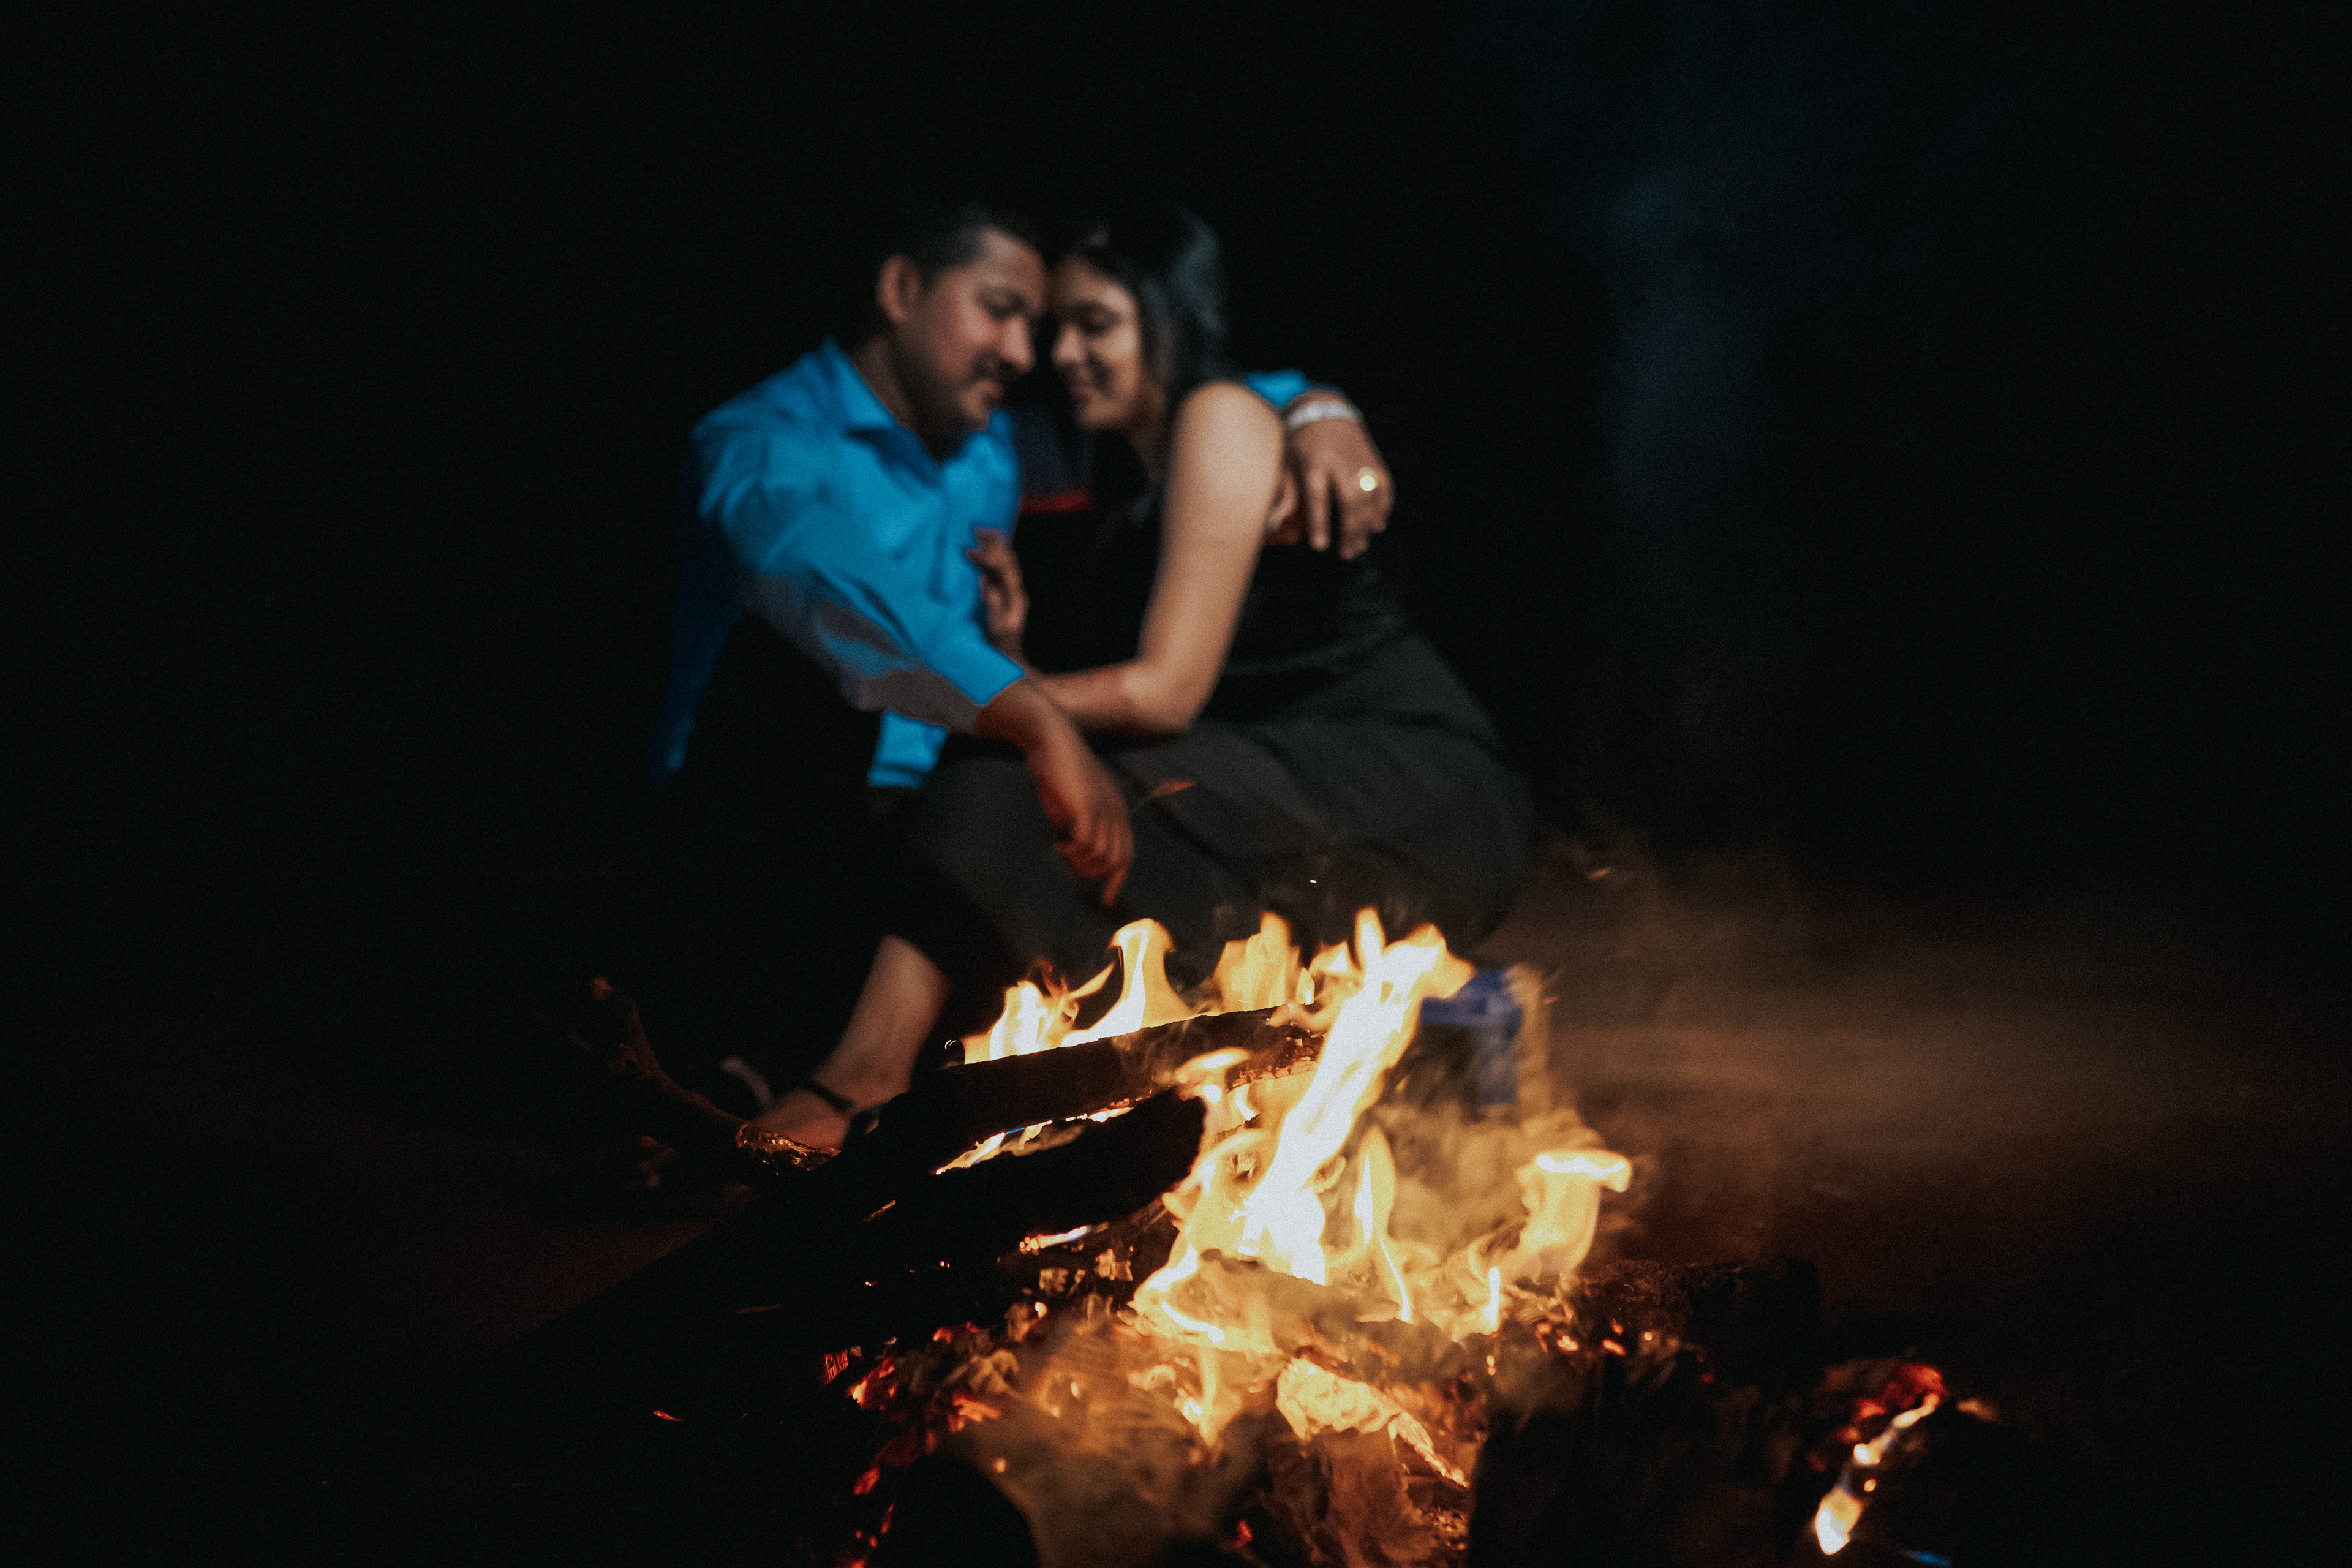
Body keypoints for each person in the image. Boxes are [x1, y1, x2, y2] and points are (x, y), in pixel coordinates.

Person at [759, 207, 1532, 1147]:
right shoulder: (1131, 478)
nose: (1060, 354)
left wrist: (1002, 706)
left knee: (997, 773)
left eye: (1095, 325)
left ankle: (861, 1079)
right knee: (1077, 865)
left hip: (1412, 775)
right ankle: (1455, 1011)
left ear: (1167, 318)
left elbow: (1166, 693)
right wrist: (1018, 666)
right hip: (1276, 779)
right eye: (1058, 330)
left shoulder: (1222, 417)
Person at [622, 199, 1395, 1117]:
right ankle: (733, 1054)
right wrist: (1031, 715)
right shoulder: (758, 439)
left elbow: (1168, 385)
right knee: (802, 669)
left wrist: (1314, 405)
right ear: (901, 289)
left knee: (1086, 864)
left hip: (916, 824)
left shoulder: (988, 445)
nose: (1027, 353)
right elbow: (826, 584)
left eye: (1039, 325)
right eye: (1001, 310)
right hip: (755, 835)